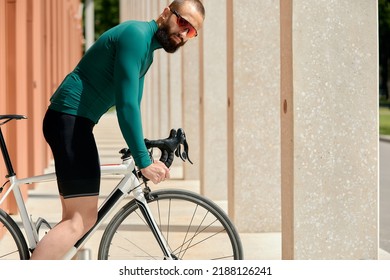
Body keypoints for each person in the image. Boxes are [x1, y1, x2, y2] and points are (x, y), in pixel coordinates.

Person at [30, 0, 205, 260]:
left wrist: (145, 145)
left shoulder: (146, 50)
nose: (183, 34)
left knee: (74, 220)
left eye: (191, 31)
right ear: (166, 12)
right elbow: (125, 105)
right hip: (70, 121)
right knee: (80, 220)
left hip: (73, 121)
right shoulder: (136, 36)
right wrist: (143, 161)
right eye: (182, 22)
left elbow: (134, 104)